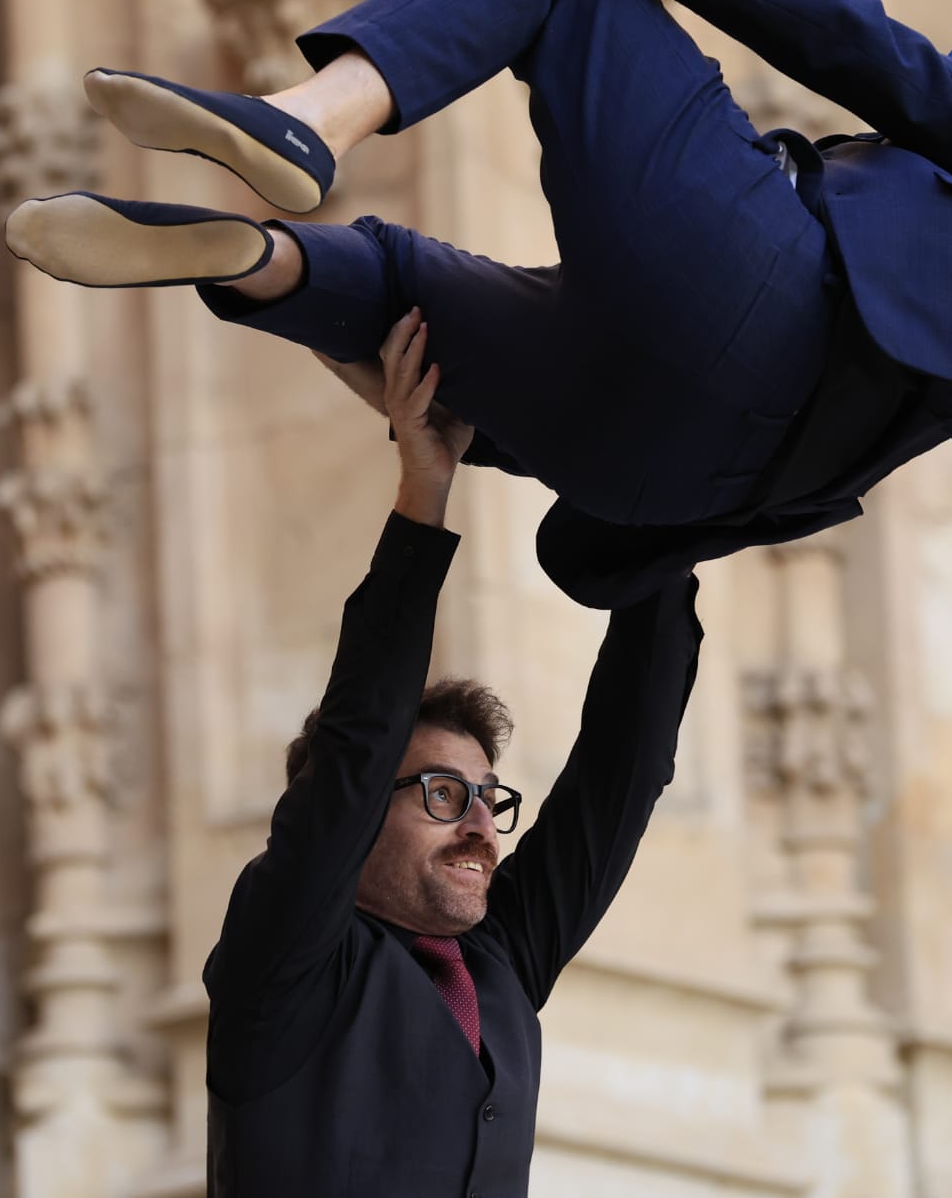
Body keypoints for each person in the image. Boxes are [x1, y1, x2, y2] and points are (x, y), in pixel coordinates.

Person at [6, 0, 952, 608]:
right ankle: (247, 257)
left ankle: (298, 125)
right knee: (404, 285)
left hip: (759, 314)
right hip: (663, 475)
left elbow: (900, 73)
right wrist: (480, 430)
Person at [200, 307, 702, 1195]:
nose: (481, 825)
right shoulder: (288, 961)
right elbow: (358, 741)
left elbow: (623, 769)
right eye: (441, 792)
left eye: (487, 796)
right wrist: (423, 486)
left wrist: (655, 519)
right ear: (355, 824)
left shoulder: (498, 960)